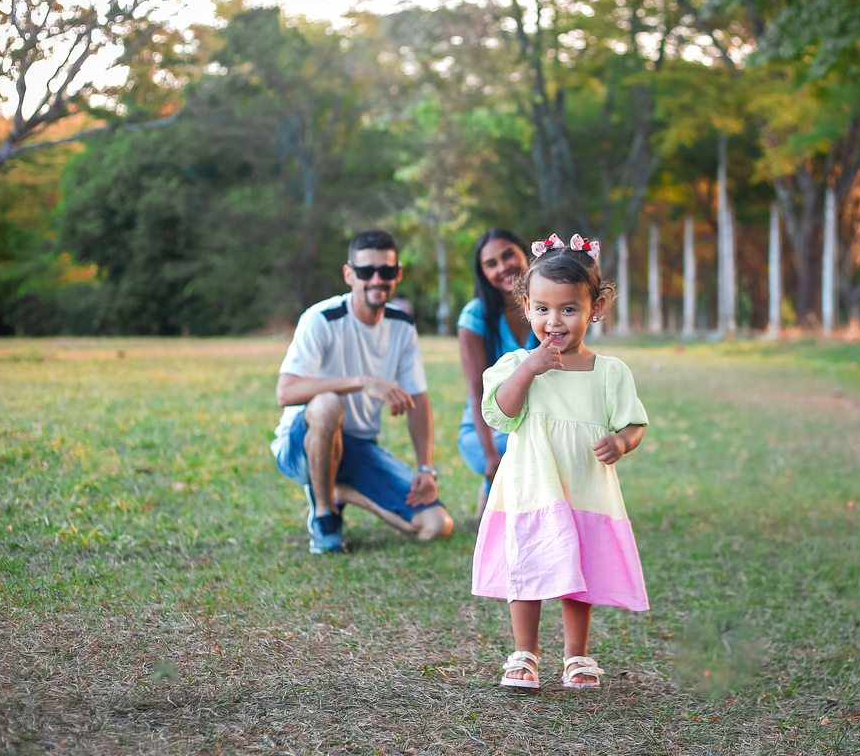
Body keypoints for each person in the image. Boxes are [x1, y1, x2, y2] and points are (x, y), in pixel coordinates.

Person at [471, 233, 649, 690]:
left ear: (597, 308)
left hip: (585, 489)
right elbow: (500, 413)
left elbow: (634, 423)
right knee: (527, 569)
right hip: (532, 489)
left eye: (569, 309)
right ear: (526, 307)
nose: (555, 321)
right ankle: (524, 653)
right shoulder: (516, 363)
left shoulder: (610, 372)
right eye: (544, 309)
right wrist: (530, 369)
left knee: (578, 577)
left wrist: (622, 443)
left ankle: (577, 656)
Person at [271, 229, 455, 553]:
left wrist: (426, 468)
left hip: (358, 450)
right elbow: (285, 392)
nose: (375, 280)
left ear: (397, 273)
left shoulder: (403, 326)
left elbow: (418, 399)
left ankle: (336, 491)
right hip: (301, 447)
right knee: (328, 405)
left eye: (385, 271)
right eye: (365, 271)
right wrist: (361, 381)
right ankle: (325, 517)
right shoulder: (321, 319)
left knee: (437, 525)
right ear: (348, 275)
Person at [456, 229, 539, 520]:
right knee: (530, 448)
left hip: (536, 422)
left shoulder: (547, 307)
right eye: (490, 263)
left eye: (508, 256)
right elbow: (477, 393)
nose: (502, 267)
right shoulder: (475, 317)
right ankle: (493, 498)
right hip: (486, 432)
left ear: (524, 254)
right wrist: (490, 455)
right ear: (483, 273)